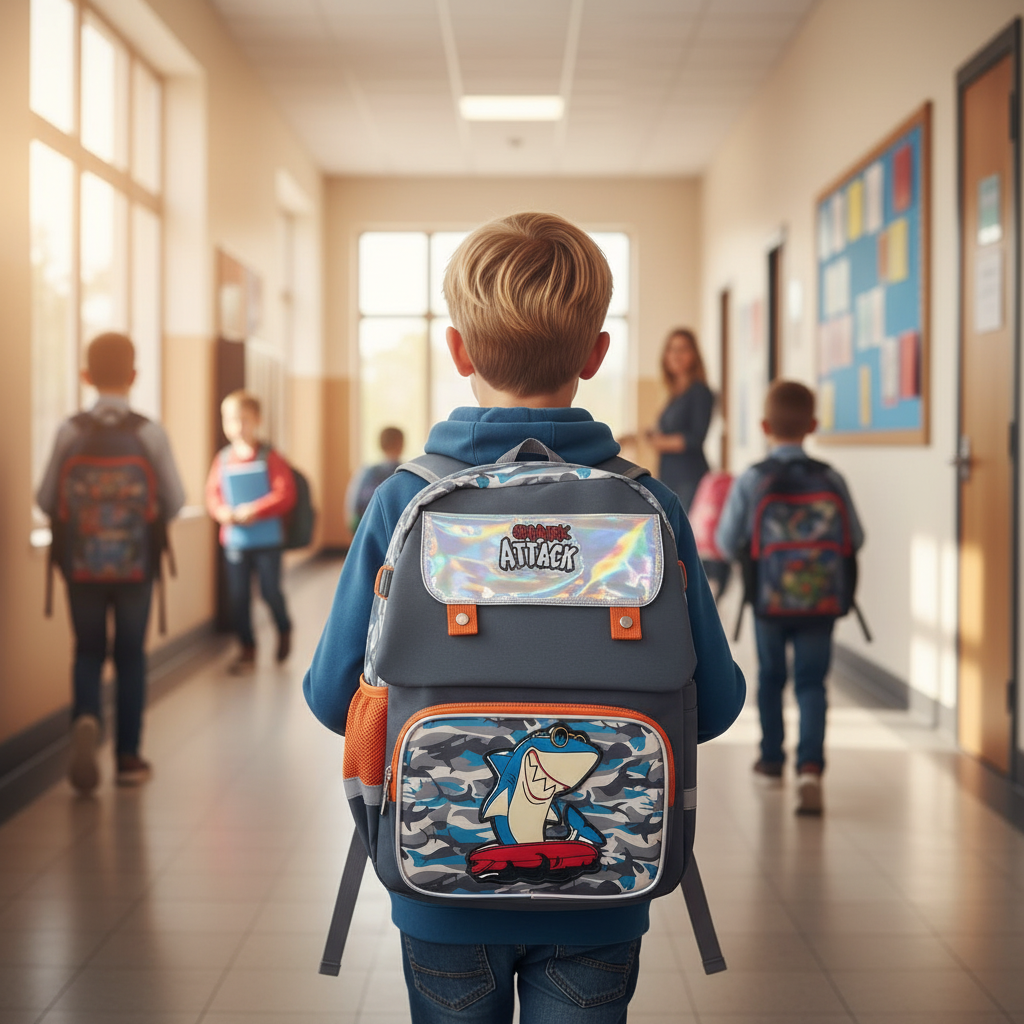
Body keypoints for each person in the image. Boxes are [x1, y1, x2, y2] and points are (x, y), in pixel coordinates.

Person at [304, 212, 745, 1023]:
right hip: (608, 887)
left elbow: (335, 697)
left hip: (440, 888)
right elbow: (713, 707)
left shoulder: (404, 499)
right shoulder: (649, 507)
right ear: (597, 353)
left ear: (458, 350)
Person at [36, 332, 185, 793]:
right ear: (134, 376)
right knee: (130, 656)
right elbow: (176, 500)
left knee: (87, 649)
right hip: (135, 566)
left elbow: (45, 499)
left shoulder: (70, 430)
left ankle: (85, 719)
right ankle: (127, 758)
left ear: (85, 376)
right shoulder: (147, 431)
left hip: (80, 566)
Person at [715, 380, 864, 816]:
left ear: (764, 426)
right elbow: (855, 537)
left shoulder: (754, 479)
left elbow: (725, 543)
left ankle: (771, 759)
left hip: (769, 598)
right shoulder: (830, 478)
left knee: (771, 678)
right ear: (813, 425)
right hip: (820, 599)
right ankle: (811, 769)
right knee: (813, 682)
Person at [206, 390, 296, 674]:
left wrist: (254, 510)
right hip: (235, 542)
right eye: (231, 420)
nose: (237, 426)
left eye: (243, 419)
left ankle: (283, 627)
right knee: (238, 598)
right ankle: (247, 649)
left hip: (267, 541)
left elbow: (286, 494)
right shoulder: (222, 460)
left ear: (257, 420)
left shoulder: (270, 456)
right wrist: (223, 512)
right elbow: (213, 494)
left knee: (270, 592)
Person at [644, 328, 714, 513]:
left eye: (682, 349)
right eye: (672, 349)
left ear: (694, 355)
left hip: (689, 478)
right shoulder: (675, 393)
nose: (676, 355)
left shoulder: (699, 392)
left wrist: (661, 442)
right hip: (670, 476)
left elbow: (696, 438)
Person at [345, 425, 404, 533]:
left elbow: (354, 502)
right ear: (401, 444)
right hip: (398, 528)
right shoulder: (406, 472)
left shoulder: (367, 472)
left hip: (369, 525)